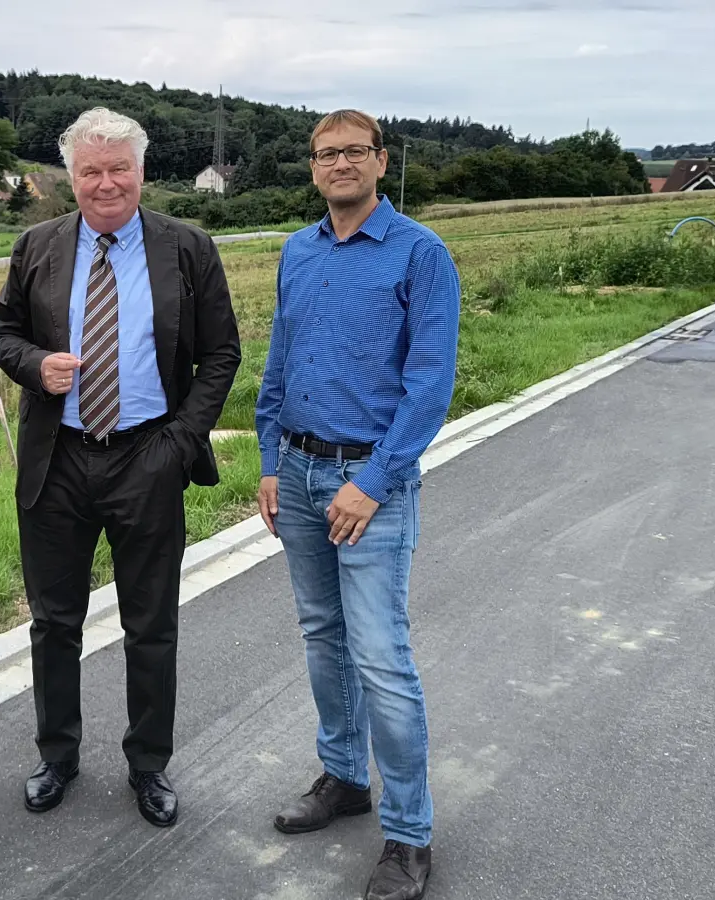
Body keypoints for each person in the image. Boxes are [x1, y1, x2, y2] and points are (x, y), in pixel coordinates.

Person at [0, 107, 241, 828]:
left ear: (142, 171)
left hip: (147, 456)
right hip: (57, 460)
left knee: (152, 626)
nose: (106, 183)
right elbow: (1, 335)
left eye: (119, 168)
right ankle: (57, 756)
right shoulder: (37, 245)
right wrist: (37, 365)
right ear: (71, 178)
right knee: (53, 623)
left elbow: (221, 353)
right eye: (91, 171)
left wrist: (177, 443)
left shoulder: (187, 248)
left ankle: (149, 765)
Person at [255, 108, 459, 900]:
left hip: (370, 484)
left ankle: (410, 835)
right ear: (313, 167)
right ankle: (344, 778)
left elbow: (429, 385)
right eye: (325, 153)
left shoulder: (420, 253)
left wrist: (371, 484)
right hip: (300, 474)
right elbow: (280, 361)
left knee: (381, 657)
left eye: (354, 151)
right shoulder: (297, 251)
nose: (340, 163)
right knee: (322, 637)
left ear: (380, 160)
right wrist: (270, 461)